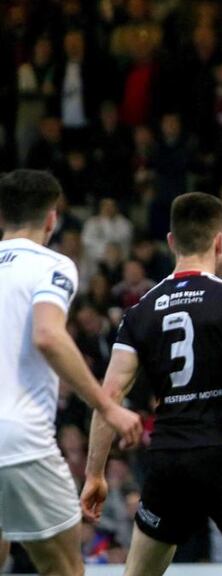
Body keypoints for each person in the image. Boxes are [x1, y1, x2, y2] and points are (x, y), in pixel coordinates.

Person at [80, 192, 222, 576]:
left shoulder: (139, 311)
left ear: (170, 242)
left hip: (168, 461)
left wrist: (94, 473)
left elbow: (110, 394)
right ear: (221, 241)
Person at [0, 170, 142, 576]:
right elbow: (48, 334)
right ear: (52, 218)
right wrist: (108, 408)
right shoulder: (51, 264)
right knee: (64, 570)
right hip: (21, 439)